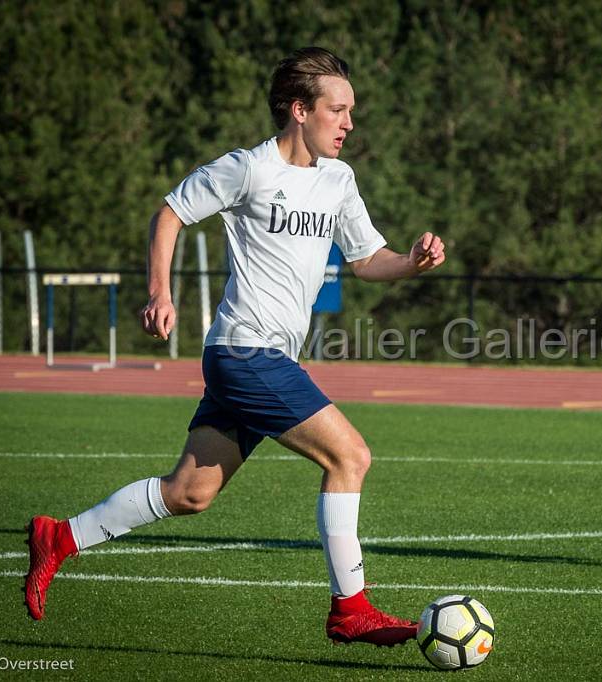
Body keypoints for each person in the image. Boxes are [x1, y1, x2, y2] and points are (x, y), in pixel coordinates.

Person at [23, 47, 446, 646]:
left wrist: (411, 262)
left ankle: (58, 537)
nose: (350, 123)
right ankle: (351, 607)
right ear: (300, 110)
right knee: (349, 457)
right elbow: (170, 213)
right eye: (339, 109)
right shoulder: (248, 168)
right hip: (245, 354)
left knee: (189, 493)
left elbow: (366, 261)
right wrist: (160, 292)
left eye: (351, 110)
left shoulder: (339, 179)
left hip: (263, 360)